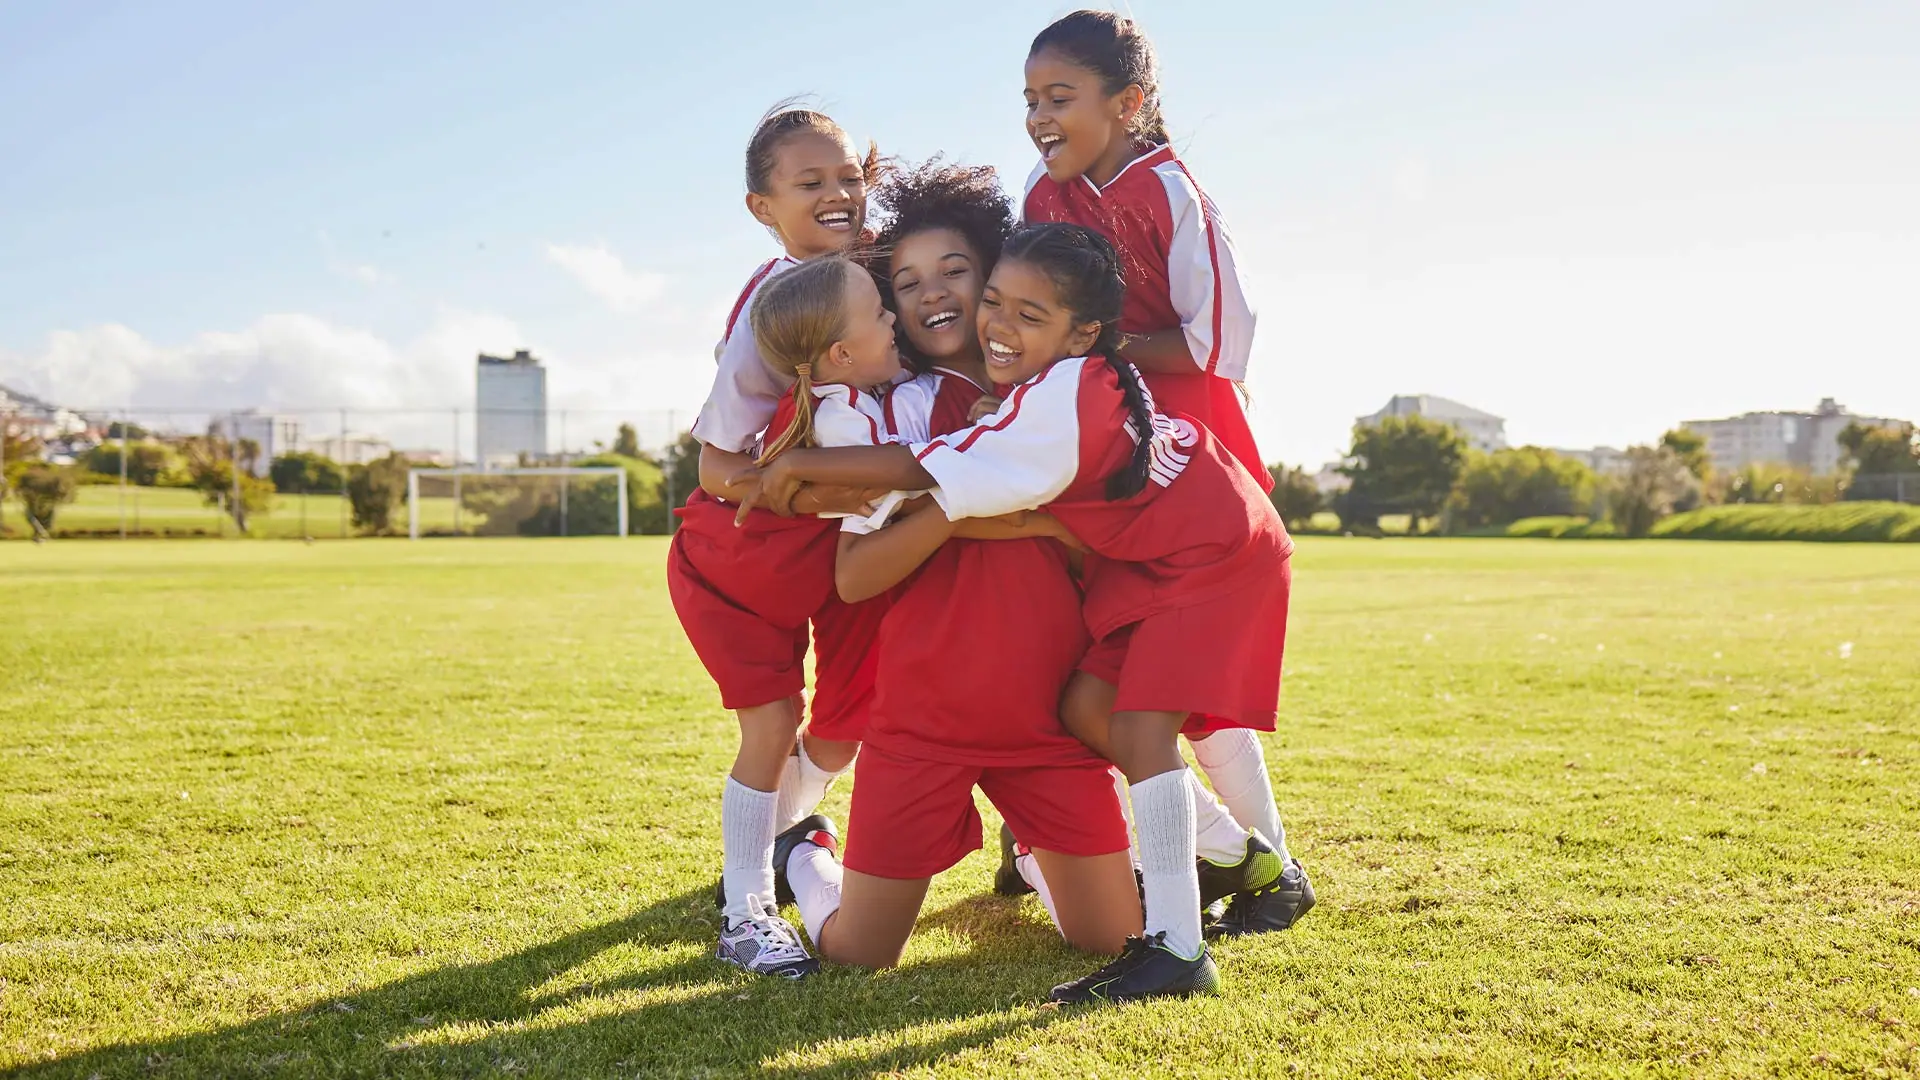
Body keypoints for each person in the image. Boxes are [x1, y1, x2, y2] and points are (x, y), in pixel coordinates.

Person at [727, 224, 1296, 1003]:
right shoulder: (879, 415)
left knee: (1106, 927)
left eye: (959, 272)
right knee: (863, 952)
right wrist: (938, 501)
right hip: (928, 716)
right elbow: (859, 571)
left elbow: (1063, 520)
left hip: (1044, 722)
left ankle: (1083, 872)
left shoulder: (1047, 398)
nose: (932, 296)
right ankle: (803, 851)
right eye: (903, 285)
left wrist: (935, 499)